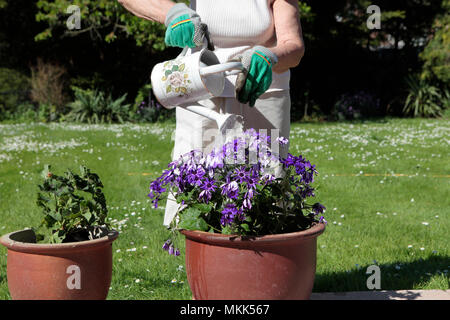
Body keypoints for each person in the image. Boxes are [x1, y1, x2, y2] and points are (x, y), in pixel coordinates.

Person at [118, 0, 305, 225]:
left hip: (259, 93)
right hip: (200, 88)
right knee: (197, 196)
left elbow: (293, 45)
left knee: (265, 195)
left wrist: (270, 56)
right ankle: (205, 257)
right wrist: (173, 13)